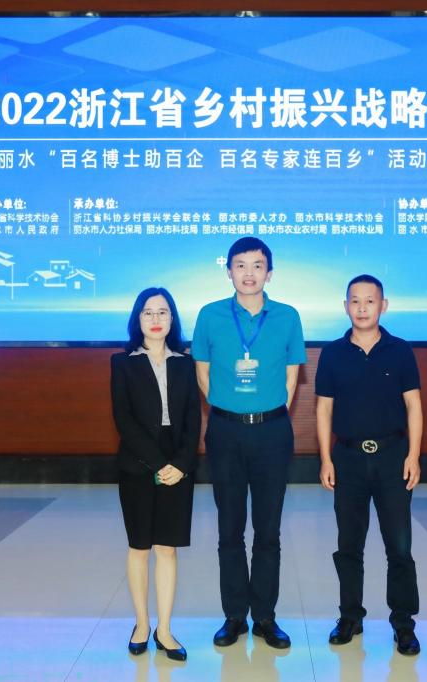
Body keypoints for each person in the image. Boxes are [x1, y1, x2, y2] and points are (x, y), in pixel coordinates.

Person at [191, 237, 306, 649]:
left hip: (272, 432)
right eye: (240, 265)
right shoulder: (210, 315)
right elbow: (202, 373)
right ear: (229, 271)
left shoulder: (288, 317)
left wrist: (266, 413)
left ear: (269, 273)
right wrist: (230, 409)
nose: (249, 273)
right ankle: (234, 616)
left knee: (268, 530)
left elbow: (291, 378)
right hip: (225, 431)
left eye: (257, 265)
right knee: (229, 528)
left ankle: (266, 618)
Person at [315, 274, 423, 656]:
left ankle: (403, 624)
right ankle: (350, 617)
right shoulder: (332, 354)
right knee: (349, 544)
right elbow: (323, 409)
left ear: (383, 306)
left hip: (394, 458)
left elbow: (414, 406)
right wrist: (326, 458)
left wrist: (413, 455)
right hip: (348, 459)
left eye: (370, 301)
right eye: (355, 301)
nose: (362, 308)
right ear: (345, 306)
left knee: (399, 546)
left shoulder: (400, 351)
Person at [110, 287, 201, 662]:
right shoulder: (122, 362)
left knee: (167, 547)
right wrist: (158, 464)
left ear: (172, 319)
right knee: (140, 546)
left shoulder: (185, 364)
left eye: (163, 312)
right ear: (138, 319)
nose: (156, 319)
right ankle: (142, 624)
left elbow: (193, 419)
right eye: (148, 312)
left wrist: (180, 464)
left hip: (178, 462)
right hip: (137, 462)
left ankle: (164, 629)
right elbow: (124, 419)